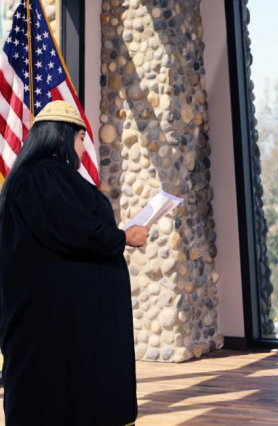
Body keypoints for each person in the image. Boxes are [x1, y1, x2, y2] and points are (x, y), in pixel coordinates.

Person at [0, 101, 149, 426]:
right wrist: (123, 238)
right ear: (63, 136)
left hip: (60, 324)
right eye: (81, 138)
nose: (83, 148)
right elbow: (74, 229)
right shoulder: (43, 176)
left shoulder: (30, 177)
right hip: (55, 325)